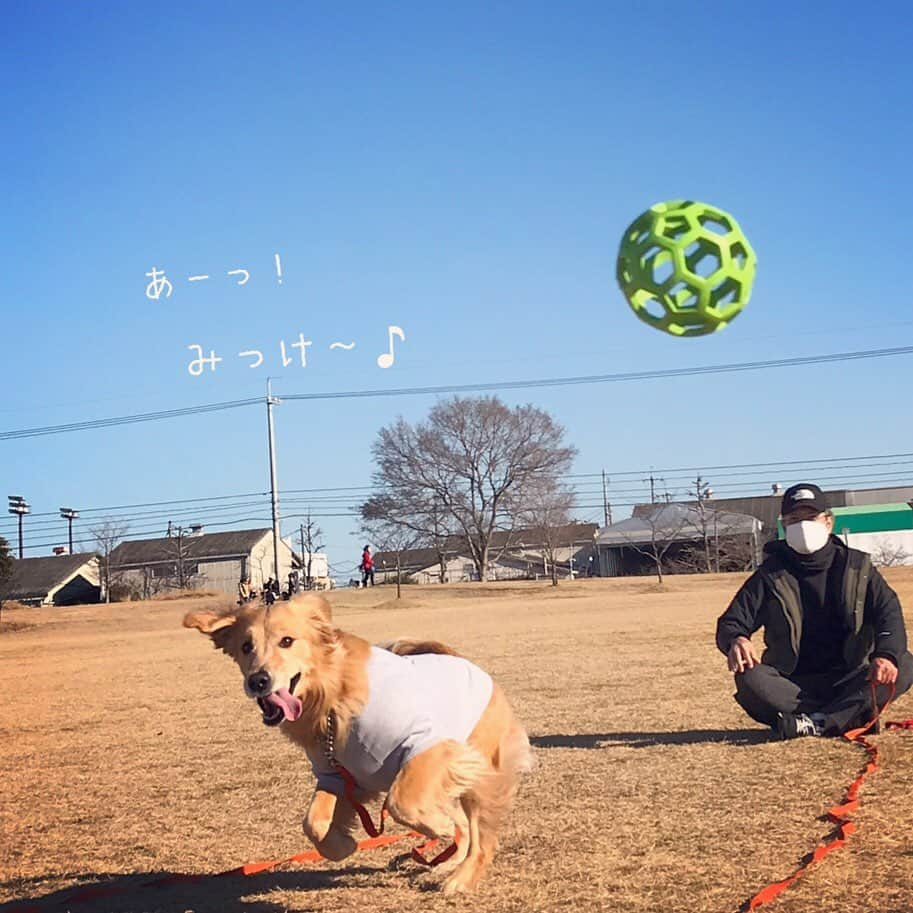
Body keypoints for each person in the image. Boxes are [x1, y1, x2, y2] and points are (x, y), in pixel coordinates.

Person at [716, 483, 913, 739]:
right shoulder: (769, 575)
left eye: (811, 517)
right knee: (749, 678)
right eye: (794, 519)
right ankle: (848, 716)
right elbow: (732, 621)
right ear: (784, 526)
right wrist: (736, 639)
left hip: (852, 676)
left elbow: (889, 614)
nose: (803, 526)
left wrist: (886, 654)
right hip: (794, 684)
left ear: (828, 522)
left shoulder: (858, 566)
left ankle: (816, 723)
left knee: (905, 662)